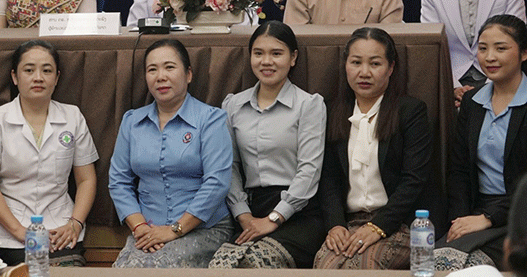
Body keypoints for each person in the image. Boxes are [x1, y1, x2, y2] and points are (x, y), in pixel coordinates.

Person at [209, 21, 326, 269]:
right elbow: (229, 166)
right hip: (250, 210)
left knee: (254, 262)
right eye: (258, 53)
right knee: (221, 265)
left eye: (276, 53)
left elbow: (310, 170)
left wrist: (275, 217)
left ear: (293, 57)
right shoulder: (233, 105)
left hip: (299, 213)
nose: (266, 61)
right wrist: (243, 215)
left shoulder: (309, 105)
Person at [0, 39, 98, 266]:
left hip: (61, 229)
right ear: (15, 77)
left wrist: (75, 223)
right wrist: (20, 232)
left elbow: (86, 179)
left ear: (56, 78)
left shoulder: (73, 117)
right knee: (30, 271)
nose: (38, 77)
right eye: (29, 70)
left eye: (46, 71)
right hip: (9, 233)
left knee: (64, 270)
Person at [314, 27, 432, 269]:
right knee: (326, 265)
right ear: (345, 65)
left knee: (363, 265)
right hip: (349, 223)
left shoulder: (410, 112)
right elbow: (328, 178)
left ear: (390, 68)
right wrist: (335, 225)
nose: (364, 72)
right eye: (356, 62)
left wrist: (378, 226)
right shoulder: (332, 110)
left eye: (375, 64)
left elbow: (414, 180)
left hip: (398, 223)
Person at [109, 38, 233, 268]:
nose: (160, 76)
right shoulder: (132, 121)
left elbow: (217, 183)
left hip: (204, 229)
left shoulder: (210, 119)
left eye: (169, 67)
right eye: (152, 69)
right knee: (125, 269)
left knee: (159, 266)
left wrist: (174, 230)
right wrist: (140, 227)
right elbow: (118, 181)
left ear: (188, 74)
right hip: (148, 231)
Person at [434, 14, 527, 271]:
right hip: (477, 212)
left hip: (520, 215)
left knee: (469, 266)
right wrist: (460, 221)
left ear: (524, 53)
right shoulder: (472, 101)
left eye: (501, 48)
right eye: (483, 49)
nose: (489, 57)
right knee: (435, 263)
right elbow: (460, 171)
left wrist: (488, 218)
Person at [445, 175, 527, 277]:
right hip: (477, 210)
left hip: (509, 215)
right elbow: (459, 179)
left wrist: (489, 217)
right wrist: (459, 223)